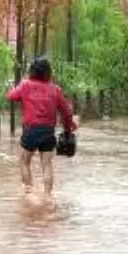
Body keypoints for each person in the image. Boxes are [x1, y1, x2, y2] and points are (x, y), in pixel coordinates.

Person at [6, 57, 77, 202]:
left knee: (24, 162)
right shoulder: (55, 89)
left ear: (32, 71)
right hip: (48, 132)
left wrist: (20, 86)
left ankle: (29, 192)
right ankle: (48, 196)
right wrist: (69, 128)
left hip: (30, 130)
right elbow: (66, 112)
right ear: (48, 72)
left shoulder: (25, 85)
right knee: (47, 164)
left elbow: (11, 96)